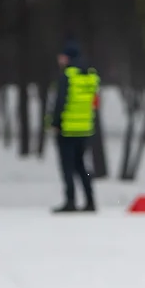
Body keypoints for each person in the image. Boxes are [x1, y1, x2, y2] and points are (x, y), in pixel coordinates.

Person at [46, 41, 100, 213]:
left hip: (67, 129)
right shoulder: (91, 77)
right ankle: (90, 200)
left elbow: (60, 102)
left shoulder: (67, 77)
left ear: (67, 57)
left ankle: (70, 201)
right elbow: (94, 102)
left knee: (67, 167)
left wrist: (55, 123)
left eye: (62, 56)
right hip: (85, 128)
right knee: (82, 166)